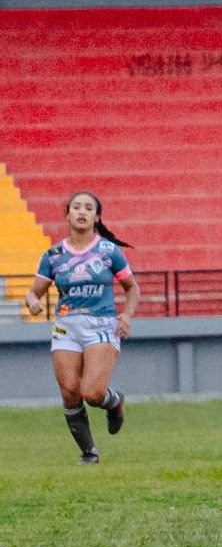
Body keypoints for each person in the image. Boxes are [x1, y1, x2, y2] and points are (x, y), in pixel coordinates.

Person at [24, 191, 140, 464]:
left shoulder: (109, 251)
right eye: (76, 207)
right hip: (66, 327)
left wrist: (126, 316)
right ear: (67, 215)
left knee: (92, 392)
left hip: (101, 324)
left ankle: (114, 401)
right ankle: (90, 454)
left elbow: (131, 287)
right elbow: (33, 292)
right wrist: (32, 302)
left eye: (88, 208)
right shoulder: (53, 255)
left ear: (96, 217)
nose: (82, 212)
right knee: (69, 392)